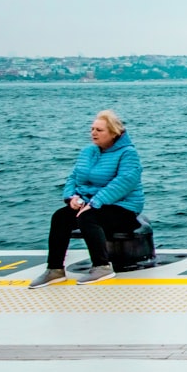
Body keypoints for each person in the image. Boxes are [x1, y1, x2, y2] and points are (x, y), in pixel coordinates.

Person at [28, 110, 145, 288]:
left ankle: (102, 266)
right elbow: (74, 177)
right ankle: (55, 270)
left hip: (123, 207)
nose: (93, 133)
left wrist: (94, 203)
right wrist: (71, 197)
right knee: (60, 217)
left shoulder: (128, 153)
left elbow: (123, 183)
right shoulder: (88, 152)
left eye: (99, 130)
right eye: (92, 129)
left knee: (88, 217)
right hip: (89, 203)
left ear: (114, 133)